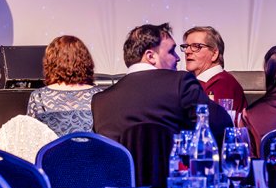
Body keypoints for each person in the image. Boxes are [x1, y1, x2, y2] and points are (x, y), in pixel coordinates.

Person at [91, 23, 231, 143]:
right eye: (171, 51)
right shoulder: (180, 82)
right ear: (151, 56)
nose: (178, 58)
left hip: (119, 168)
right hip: (169, 167)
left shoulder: (100, 101)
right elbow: (221, 124)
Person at [26, 35, 102, 116]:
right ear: (86, 61)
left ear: (51, 62)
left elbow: (30, 124)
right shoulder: (100, 95)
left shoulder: (39, 96)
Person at [182, 25, 247, 113]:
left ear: (214, 54)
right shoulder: (195, 82)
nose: (187, 51)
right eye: (186, 46)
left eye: (196, 46)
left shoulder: (222, 85)